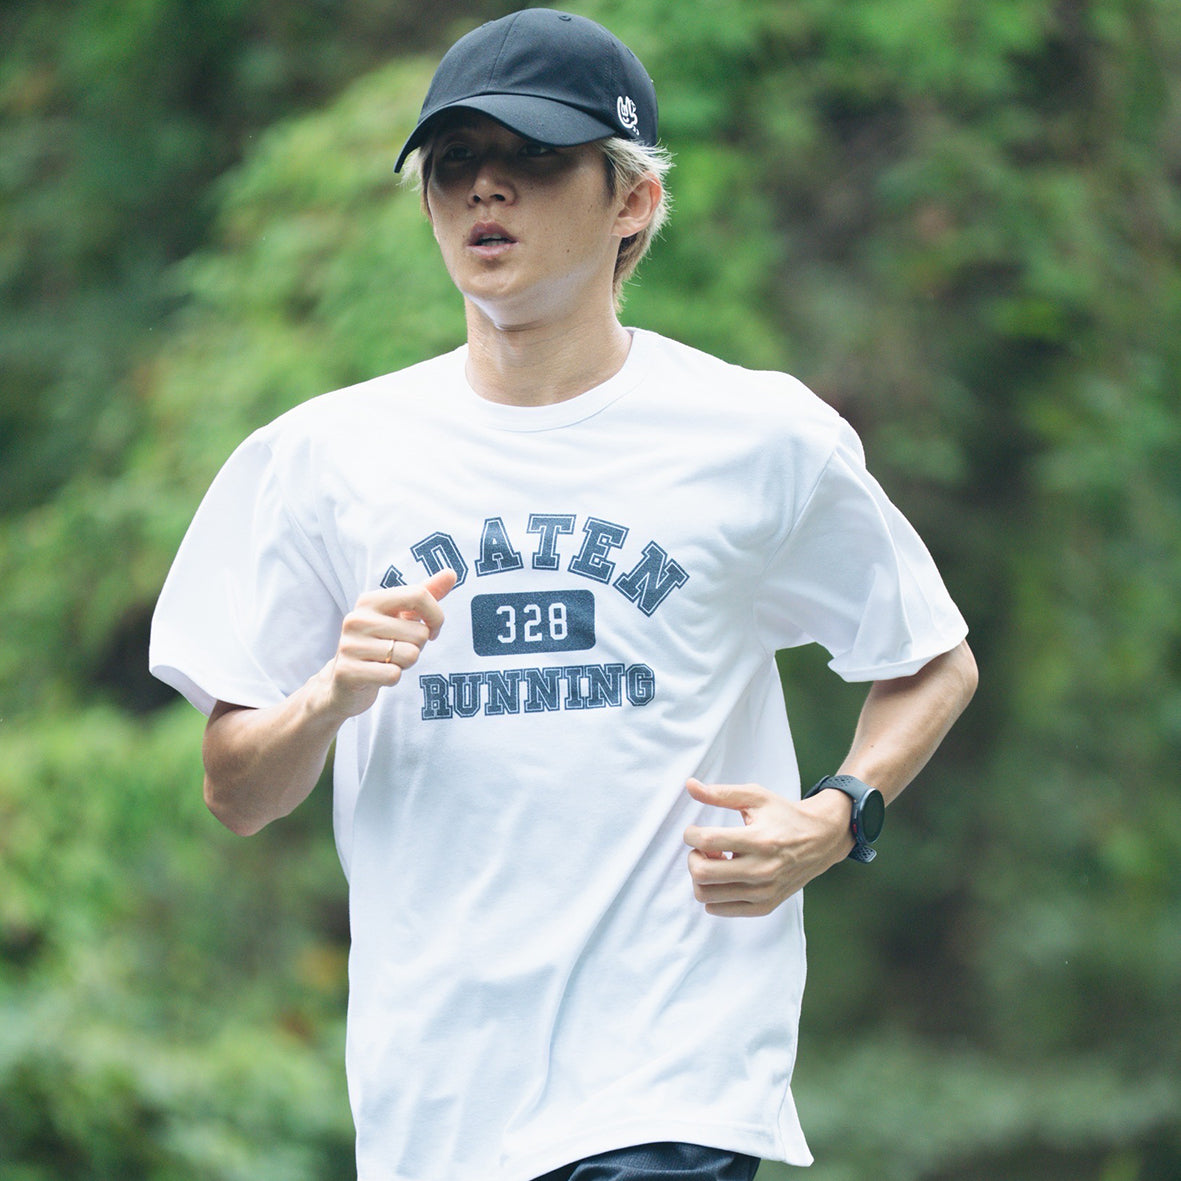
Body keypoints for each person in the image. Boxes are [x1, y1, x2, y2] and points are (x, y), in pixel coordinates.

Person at [149, 9, 977, 1181]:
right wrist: (328, 696)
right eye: (454, 162)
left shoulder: (756, 435)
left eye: (533, 156)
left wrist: (838, 813)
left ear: (631, 198)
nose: (485, 188)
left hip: (673, 1074)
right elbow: (236, 790)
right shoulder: (323, 458)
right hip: (436, 1098)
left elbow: (930, 657)